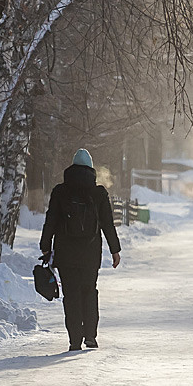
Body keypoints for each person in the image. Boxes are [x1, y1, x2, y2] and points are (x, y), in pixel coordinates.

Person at [40, 148, 121, 351]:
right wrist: (115, 250)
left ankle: (75, 340)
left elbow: (50, 220)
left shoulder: (60, 191)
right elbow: (107, 224)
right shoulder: (99, 193)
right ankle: (91, 337)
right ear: (91, 169)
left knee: (71, 295)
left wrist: (45, 247)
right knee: (89, 292)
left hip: (65, 254)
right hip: (90, 253)